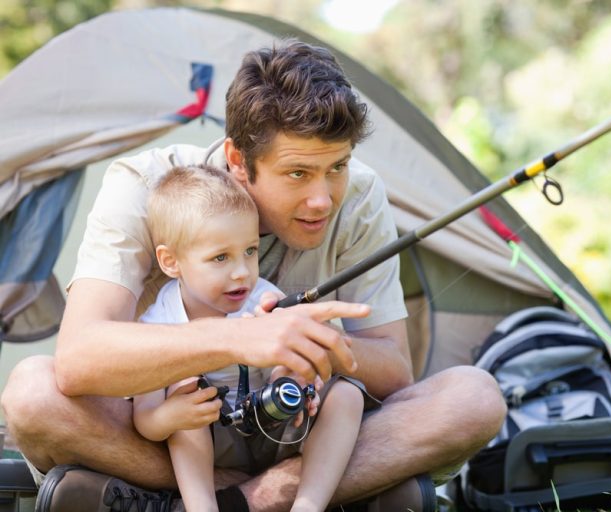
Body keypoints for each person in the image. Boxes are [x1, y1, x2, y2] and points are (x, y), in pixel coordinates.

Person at [1, 39, 507, 512]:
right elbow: (77, 360)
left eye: (337, 167)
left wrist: (318, 345)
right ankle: (291, 496)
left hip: (294, 428)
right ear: (238, 161)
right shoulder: (143, 188)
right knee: (31, 394)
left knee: (475, 399)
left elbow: (395, 370)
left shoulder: (360, 197)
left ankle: (190, 502)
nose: (323, 198)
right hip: (173, 432)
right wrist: (241, 338)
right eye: (297, 174)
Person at [133, 164, 371, 512]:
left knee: (348, 394)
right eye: (220, 257)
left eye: (250, 251)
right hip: (214, 439)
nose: (242, 271)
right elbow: (145, 418)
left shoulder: (265, 299)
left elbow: (293, 367)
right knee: (184, 386)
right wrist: (172, 416)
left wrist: (293, 380)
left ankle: (308, 505)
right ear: (172, 262)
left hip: (275, 428)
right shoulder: (159, 322)